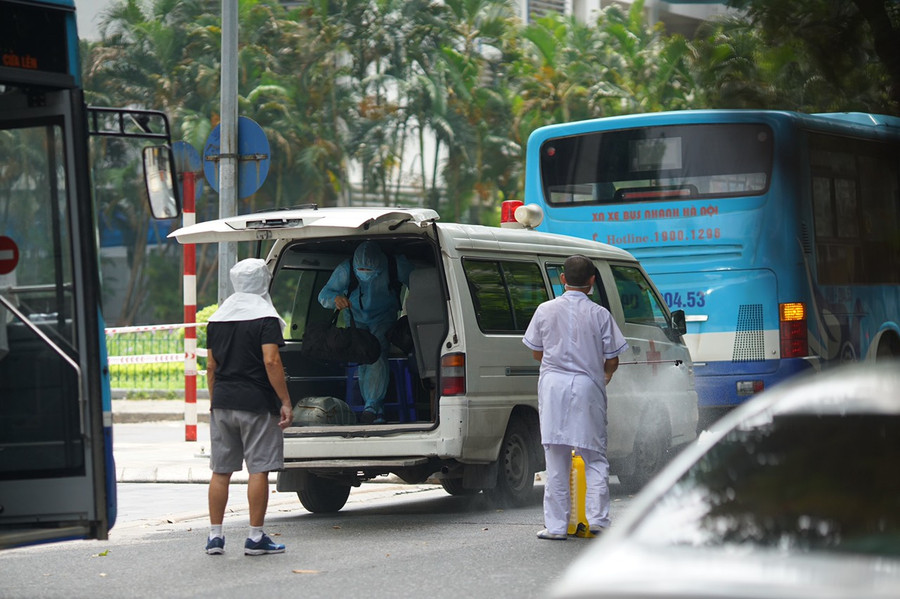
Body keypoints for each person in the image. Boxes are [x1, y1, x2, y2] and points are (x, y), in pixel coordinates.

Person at [522, 255, 628, 540]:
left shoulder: (544, 310)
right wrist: (603, 375)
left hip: (553, 388)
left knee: (556, 458)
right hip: (587, 387)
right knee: (594, 456)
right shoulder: (600, 314)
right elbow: (613, 359)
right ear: (592, 280)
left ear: (562, 279)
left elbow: (536, 351)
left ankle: (556, 527)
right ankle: (598, 520)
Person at [204, 258, 293, 556]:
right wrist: (285, 401)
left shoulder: (217, 319)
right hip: (256, 403)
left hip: (222, 403)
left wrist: (215, 401)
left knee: (220, 471)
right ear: (263, 281)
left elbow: (211, 366)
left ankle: (215, 537)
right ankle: (255, 537)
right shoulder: (265, 319)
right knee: (258, 470)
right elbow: (271, 360)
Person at [318, 241, 412, 423]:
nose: (366, 275)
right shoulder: (346, 269)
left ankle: (372, 406)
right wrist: (335, 299)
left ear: (380, 264)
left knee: (377, 354)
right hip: (355, 318)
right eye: (361, 271)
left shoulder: (395, 265)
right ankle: (375, 409)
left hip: (384, 317)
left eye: (370, 271)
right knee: (363, 357)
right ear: (355, 266)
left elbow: (418, 282)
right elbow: (324, 295)